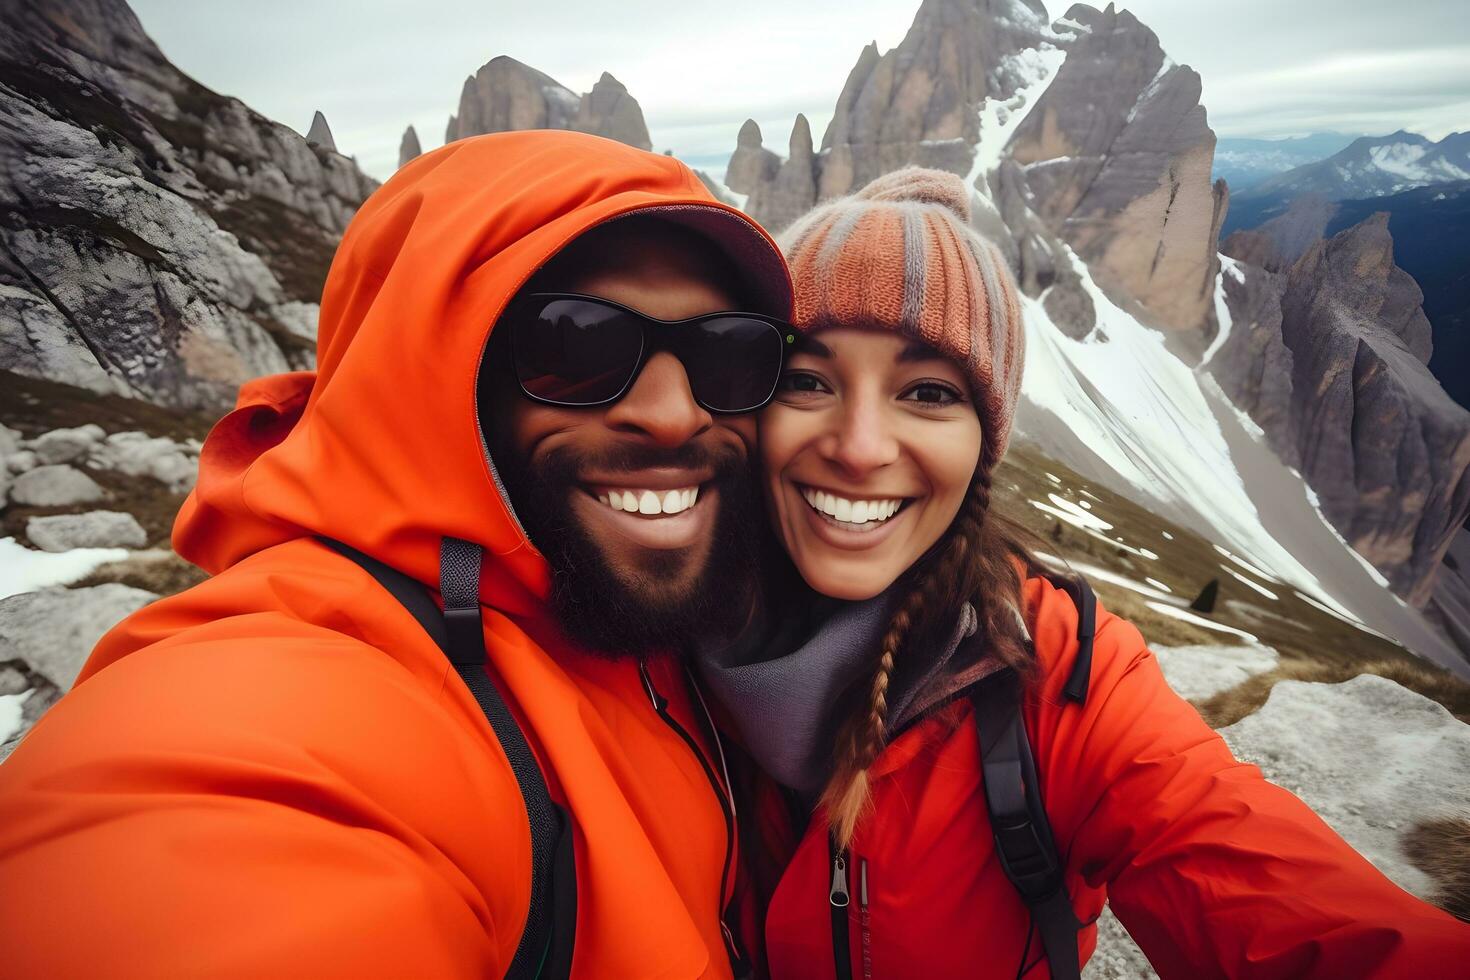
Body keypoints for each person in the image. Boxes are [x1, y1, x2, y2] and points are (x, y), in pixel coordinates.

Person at [0, 131, 795, 978]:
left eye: (730, 354)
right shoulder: (277, 704)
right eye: (574, 346)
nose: (674, 415)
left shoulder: (656, 609)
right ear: (431, 378)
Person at [695, 168, 1470, 978]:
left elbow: (1289, 904)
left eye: (927, 393)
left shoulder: (1062, 681)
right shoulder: (643, 632)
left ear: (985, 445)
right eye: (805, 382)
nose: (858, 447)